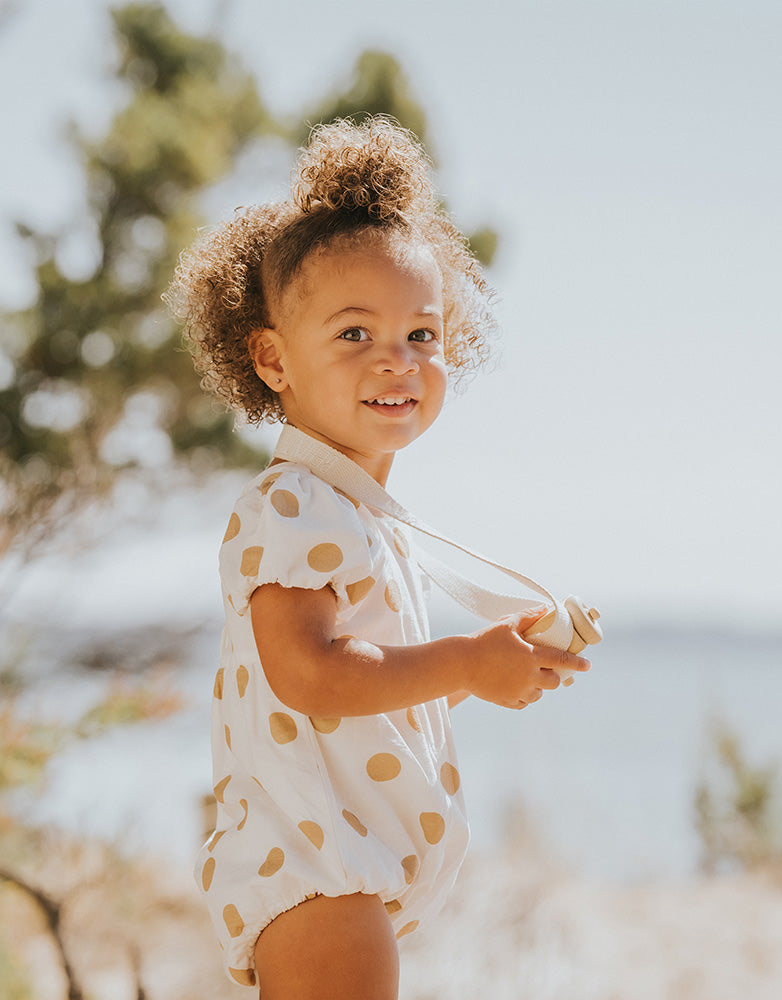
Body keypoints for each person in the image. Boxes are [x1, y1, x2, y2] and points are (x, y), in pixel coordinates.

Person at [167, 117, 590, 1000]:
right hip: (313, 860)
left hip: (340, 857)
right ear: (274, 359)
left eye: (421, 335)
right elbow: (310, 674)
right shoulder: (292, 504)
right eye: (354, 334)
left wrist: (497, 652)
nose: (397, 360)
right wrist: (471, 665)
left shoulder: (354, 511)